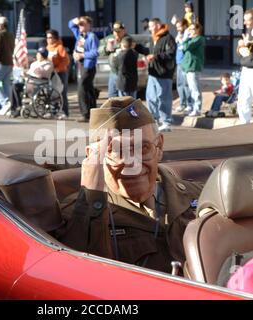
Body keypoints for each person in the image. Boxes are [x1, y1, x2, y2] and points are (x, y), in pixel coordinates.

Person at [56, 96, 203, 273]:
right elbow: (78, 274)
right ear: (94, 157)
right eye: (118, 151)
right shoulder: (77, 214)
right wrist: (92, 195)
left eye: (143, 148)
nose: (133, 163)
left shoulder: (200, 196)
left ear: (160, 146)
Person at [98, 21, 148, 98]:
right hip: (113, 72)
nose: (116, 34)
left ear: (124, 30)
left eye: (119, 31)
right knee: (112, 96)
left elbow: (137, 53)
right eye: (115, 31)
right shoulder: (109, 39)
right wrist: (106, 49)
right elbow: (99, 49)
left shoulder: (129, 40)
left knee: (125, 99)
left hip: (125, 74)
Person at [146, 18, 176, 133]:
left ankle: (166, 121)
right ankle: (154, 120)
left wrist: (156, 57)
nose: (150, 29)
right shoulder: (154, 38)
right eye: (149, 26)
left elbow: (171, 53)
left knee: (163, 98)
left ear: (158, 25)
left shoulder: (168, 38)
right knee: (151, 97)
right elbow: (150, 51)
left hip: (164, 73)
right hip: (153, 73)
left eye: (151, 26)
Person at [69, 16, 99, 123]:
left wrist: (82, 55)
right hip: (80, 65)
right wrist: (76, 20)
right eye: (80, 24)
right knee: (88, 89)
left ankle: (85, 114)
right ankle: (93, 112)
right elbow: (70, 24)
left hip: (88, 66)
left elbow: (95, 52)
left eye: (83, 24)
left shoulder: (92, 36)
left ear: (89, 25)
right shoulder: (80, 35)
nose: (80, 26)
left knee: (81, 88)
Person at [0, 16, 15, 116]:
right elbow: (12, 48)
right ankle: (10, 107)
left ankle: (5, 103)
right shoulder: (10, 34)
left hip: (0, 62)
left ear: (1, 25)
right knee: (6, 84)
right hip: (9, 62)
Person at [181, 22, 205, 117]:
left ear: (198, 30)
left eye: (192, 29)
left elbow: (186, 47)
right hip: (187, 67)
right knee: (191, 89)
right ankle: (192, 107)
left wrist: (186, 38)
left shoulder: (199, 39)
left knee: (195, 90)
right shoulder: (192, 39)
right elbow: (183, 48)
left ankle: (197, 109)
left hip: (193, 67)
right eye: (189, 29)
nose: (190, 31)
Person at [46, 29, 70, 120]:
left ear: (55, 38)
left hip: (61, 73)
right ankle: (53, 111)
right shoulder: (47, 48)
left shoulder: (60, 47)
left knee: (62, 93)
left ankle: (65, 112)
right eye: (47, 37)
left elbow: (66, 60)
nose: (48, 39)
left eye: (50, 37)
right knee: (52, 93)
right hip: (51, 73)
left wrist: (58, 68)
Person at [237, 8, 253, 124]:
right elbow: (245, 51)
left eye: (247, 20)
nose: (244, 23)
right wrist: (241, 47)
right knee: (243, 99)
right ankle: (244, 125)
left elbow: (249, 50)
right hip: (246, 69)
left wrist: (246, 46)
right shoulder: (250, 32)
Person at [175, 19, 192, 113]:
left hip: (185, 63)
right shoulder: (179, 35)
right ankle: (182, 104)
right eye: (177, 27)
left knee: (186, 84)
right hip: (179, 62)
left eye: (179, 26)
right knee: (179, 84)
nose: (178, 29)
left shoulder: (188, 35)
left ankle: (189, 104)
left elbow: (185, 46)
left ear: (185, 26)